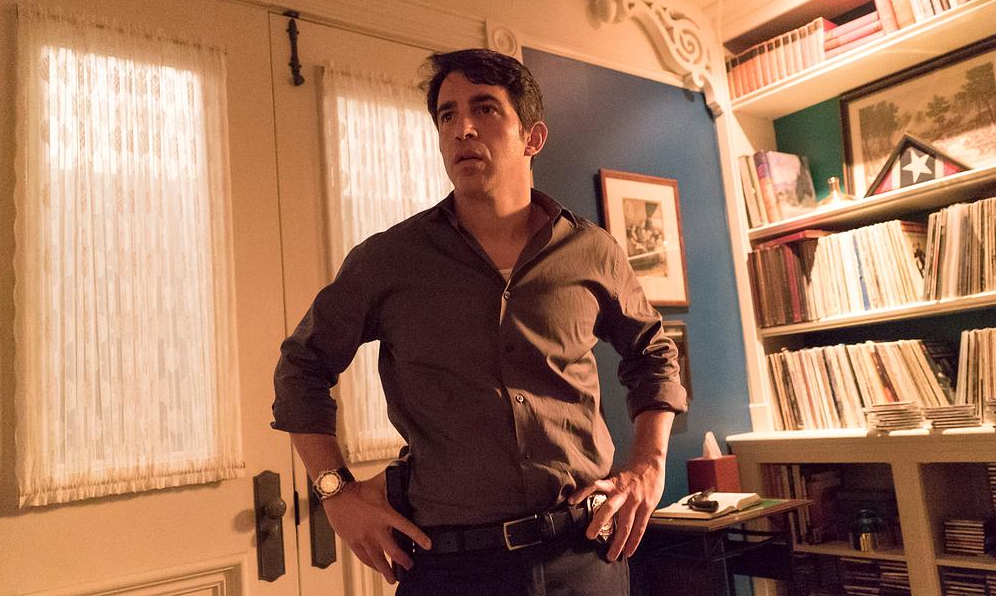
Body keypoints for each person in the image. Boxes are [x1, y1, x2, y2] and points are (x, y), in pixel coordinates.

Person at [272, 48, 687, 596]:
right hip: (450, 567)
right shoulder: (388, 260)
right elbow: (301, 367)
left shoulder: (593, 251)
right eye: (447, 115)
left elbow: (653, 353)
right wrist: (336, 493)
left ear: (533, 137)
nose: (462, 128)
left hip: (584, 553)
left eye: (485, 109)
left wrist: (649, 467)